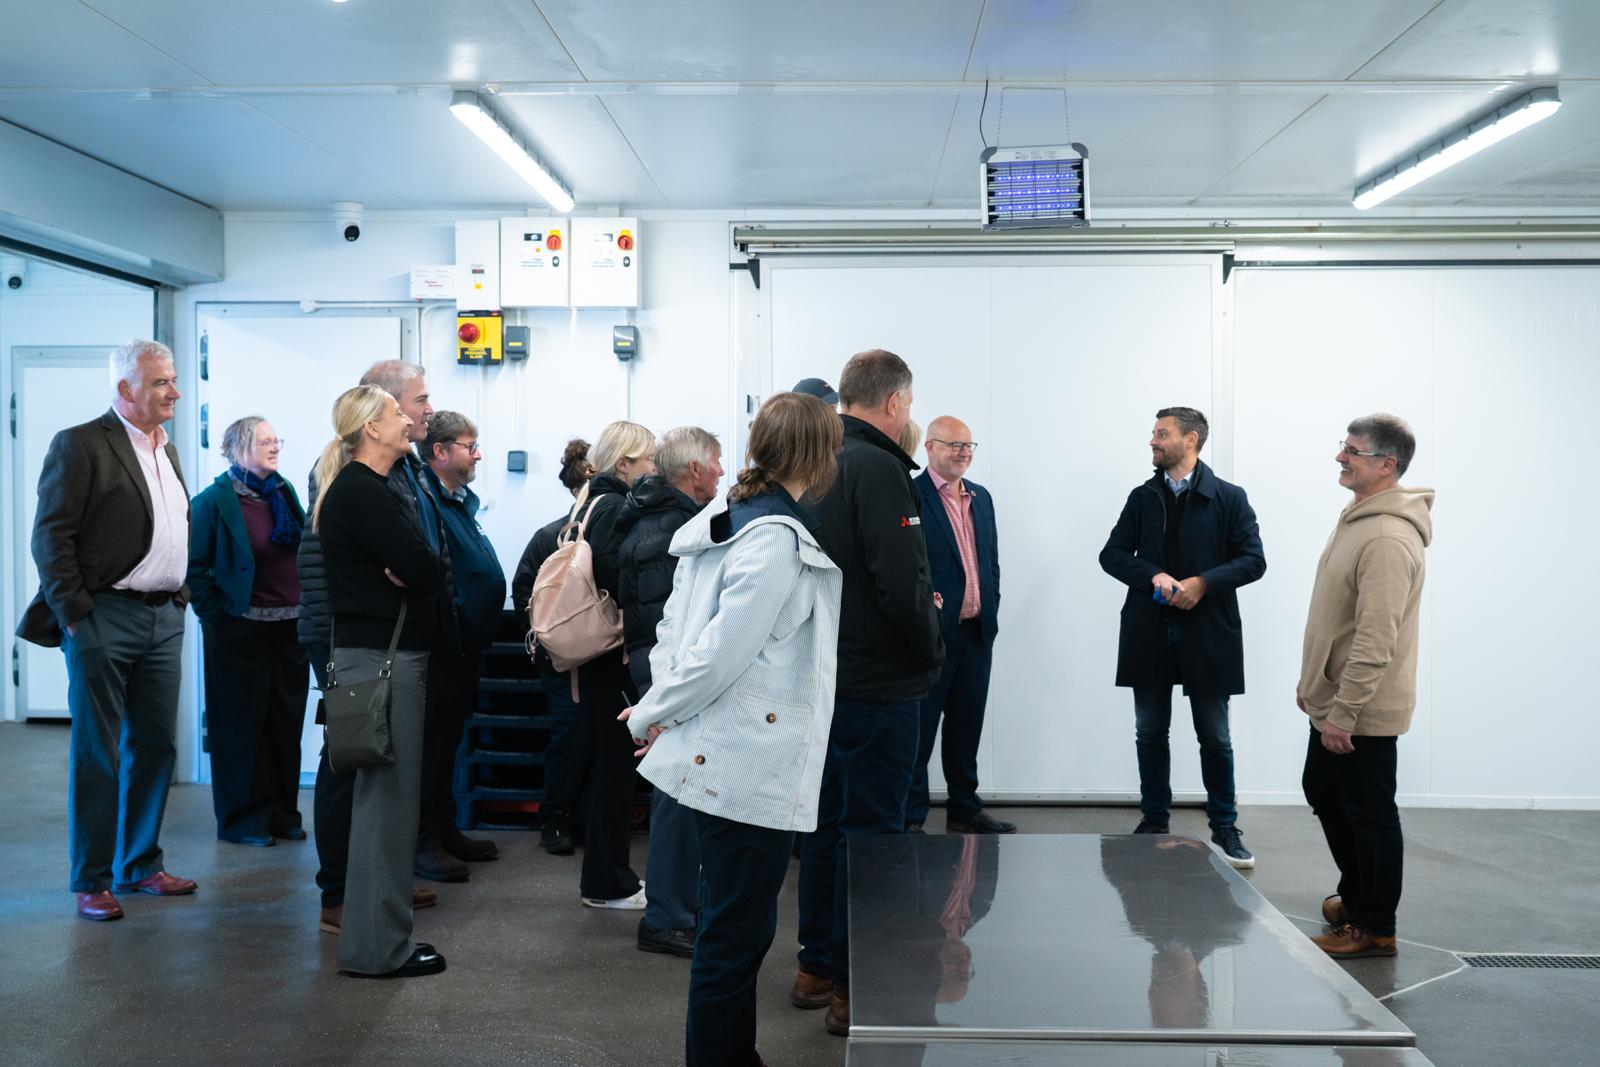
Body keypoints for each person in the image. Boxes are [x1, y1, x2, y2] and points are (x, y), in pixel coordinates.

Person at [620, 391, 844, 1067]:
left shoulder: (727, 517)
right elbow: (718, 650)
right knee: (734, 935)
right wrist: (660, 708)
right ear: (817, 454)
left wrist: (660, 700)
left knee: (731, 928)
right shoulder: (773, 538)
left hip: (727, 751)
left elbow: (675, 634)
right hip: (747, 758)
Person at [19, 339, 198, 921]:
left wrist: (179, 596)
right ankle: (90, 879)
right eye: (160, 383)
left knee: (154, 746)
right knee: (100, 751)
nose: (173, 391)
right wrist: (74, 615)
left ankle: (139, 865)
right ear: (125, 390)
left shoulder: (164, 448)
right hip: (104, 617)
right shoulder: (81, 444)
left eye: (173, 380)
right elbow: (52, 536)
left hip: (163, 615)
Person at [793, 348, 943, 1038]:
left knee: (827, 826)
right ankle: (858, 986)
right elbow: (900, 583)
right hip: (880, 687)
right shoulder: (880, 468)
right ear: (895, 403)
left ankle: (816, 964)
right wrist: (931, 648)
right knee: (878, 837)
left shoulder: (819, 464)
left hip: (827, 679)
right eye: (909, 404)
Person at [303, 362, 440, 934]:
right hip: (375, 656)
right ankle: (374, 941)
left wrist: (414, 568)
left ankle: (375, 933)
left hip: (384, 652)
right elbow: (423, 568)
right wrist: (413, 568)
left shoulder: (377, 486)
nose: (409, 418)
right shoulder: (361, 492)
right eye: (397, 412)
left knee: (387, 800)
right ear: (372, 429)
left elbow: (416, 568)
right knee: (381, 801)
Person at [1098, 407, 1266, 870]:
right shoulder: (1142, 497)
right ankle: (1154, 821)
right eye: (1153, 433)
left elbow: (1254, 560)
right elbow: (1111, 555)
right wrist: (1151, 574)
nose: (1153, 440)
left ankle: (1225, 826)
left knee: (1215, 736)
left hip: (1208, 632)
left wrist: (1202, 584)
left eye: (1161, 433)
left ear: (1190, 439)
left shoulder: (1229, 498)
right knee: (1150, 731)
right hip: (1149, 630)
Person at [1300, 415, 1432, 961]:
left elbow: (1377, 638)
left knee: (1370, 815)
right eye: (1343, 447)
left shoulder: (1385, 536)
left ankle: (1375, 926)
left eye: (1352, 451)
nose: (1340, 457)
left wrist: (1345, 712)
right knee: (1327, 792)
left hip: (1360, 710)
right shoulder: (1358, 518)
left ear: (1386, 465)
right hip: (1335, 699)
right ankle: (1357, 897)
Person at [616, 426, 723, 958]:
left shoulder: (659, 519)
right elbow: (672, 624)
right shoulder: (672, 529)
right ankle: (666, 917)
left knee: (681, 789)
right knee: (677, 791)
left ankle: (676, 909)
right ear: (696, 470)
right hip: (663, 673)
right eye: (718, 463)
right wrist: (663, 700)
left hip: (660, 671)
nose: (724, 473)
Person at [186, 416, 308, 847]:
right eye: (265, 441)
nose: (275, 447)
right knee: (241, 729)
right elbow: (194, 567)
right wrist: (218, 617)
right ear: (238, 448)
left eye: (278, 440)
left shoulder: (282, 492)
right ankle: (243, 820)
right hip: (240, 631)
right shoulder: (213, 501)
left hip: (289, 628)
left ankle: (280, 814)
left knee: (284, 725)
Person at [906, 415, 1013, 835]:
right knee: (921, 731)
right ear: (929, 447)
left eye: (968, 446)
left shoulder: (981, 497)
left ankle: (964, 808)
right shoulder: (912, 496)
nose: (963, 452)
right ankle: (912, 816)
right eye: (953, 445)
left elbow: (990, 563)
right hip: (932, 635)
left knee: (967, 726)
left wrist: (993, 608)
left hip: (976, 633)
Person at [566, 420, 656, 909]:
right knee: (614, 767)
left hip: (593, 655)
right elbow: (614, 572)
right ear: (625, 464)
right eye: (647, 460)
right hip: (611, 653)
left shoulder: (589, 501)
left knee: (610, 764)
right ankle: (607, 882)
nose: (654, 468)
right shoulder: (615, 506)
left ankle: (608, 877)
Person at [419, 412, 507, 868]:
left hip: (465, 644)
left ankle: (446, 827)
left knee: (449, 742)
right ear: (440, 451)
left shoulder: (456, 499)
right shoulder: (425, 497)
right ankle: (424, 842)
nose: (477, 454)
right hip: (440, 644)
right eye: (469, 446)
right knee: (429, 745)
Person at [510, 437, 592, 856]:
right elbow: (524, 589)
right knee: (571, 736)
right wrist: (547, 637)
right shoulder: (551, 538)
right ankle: (556, 819)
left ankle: (586, 819)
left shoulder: (606, 531)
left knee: (593, 738)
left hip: (603, 657)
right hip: (563, 659)